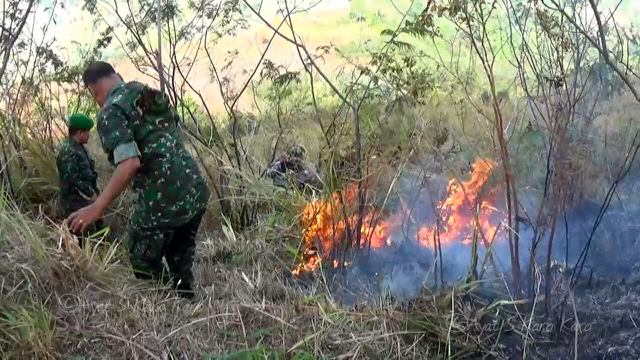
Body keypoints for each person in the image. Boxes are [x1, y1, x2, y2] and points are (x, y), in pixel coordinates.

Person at [65, 61, 210, 300]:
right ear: (117, 76)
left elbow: (129, 163)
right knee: (180, 256)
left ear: (93, 91)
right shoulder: (146, 92)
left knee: (140, 257)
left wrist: (97, 207)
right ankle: (186, 301)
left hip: (163, 199)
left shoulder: (111, 111)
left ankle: (164, 305)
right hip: (194, 189)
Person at [56, 113, 104, 247]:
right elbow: (72, 179)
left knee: (97, 232)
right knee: (85, 238)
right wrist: (91, 193)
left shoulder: (80, 148)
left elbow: (87, 174)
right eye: (87, 132)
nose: (89, 135)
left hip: (86, 200)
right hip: (75, 203)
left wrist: (96, 192)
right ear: (80, 132)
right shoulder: (67, 150)